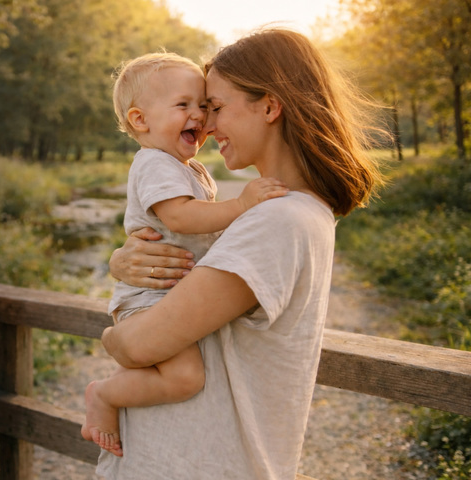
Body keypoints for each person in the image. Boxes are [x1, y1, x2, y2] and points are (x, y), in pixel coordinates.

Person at [94, 28, 386, 479]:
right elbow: (188, 245)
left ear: (269, 106)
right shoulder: (288, 212)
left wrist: (111, 336)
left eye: (215, 107)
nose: (207, 125)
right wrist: (124, 259)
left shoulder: (279, 220)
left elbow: (138, 344)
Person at [81, 52, 288, 457]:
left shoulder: (187, 167)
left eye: (206, 106)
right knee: (185, 379)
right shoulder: (155, 162)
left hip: (164, 291)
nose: (201, 117)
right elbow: (180, 216)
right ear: (141, 120)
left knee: (171, 373)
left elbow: (203, 227)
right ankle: (104, 395)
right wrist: (241, 205)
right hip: (150, 295)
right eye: (184, 105)